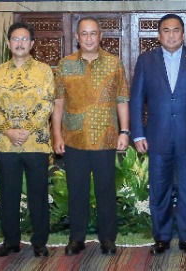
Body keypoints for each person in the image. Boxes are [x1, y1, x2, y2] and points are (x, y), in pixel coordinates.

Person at [131, 14, 186, 256]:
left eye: (176, 30)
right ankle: (162, 237)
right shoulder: (146, 60)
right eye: (166, 30)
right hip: (157, 136)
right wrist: (138, 134)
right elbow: (136, 99)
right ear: (159, 35)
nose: (171, 35)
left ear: (183, 33)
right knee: (159, 190)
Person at [52, 17, 131, 256]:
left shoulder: (114, 63)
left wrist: (125, 131)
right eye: (84, 34)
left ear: (101, 36)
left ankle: (107, 238)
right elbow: (57, 103)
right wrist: (56, 135)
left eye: (93, 33)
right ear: (76, 37)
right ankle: (77, 238)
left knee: (106, 191)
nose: (88, 38)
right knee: (77, 192)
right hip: (74, 139)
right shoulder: (65, 65)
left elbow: (122, 99)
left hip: (106, 138)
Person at [0, 21, 55, 258]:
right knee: (9, 195)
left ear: (32, 44)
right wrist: (8, 130)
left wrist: (26, 129)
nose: (19, 43)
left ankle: (39, 242)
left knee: (38, 194)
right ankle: (11, 242)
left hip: (35, 142)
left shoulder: (44, 71)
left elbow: (47, 103)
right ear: (8, 43)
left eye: (24, 39)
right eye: (15, 39)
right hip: (6, 144)